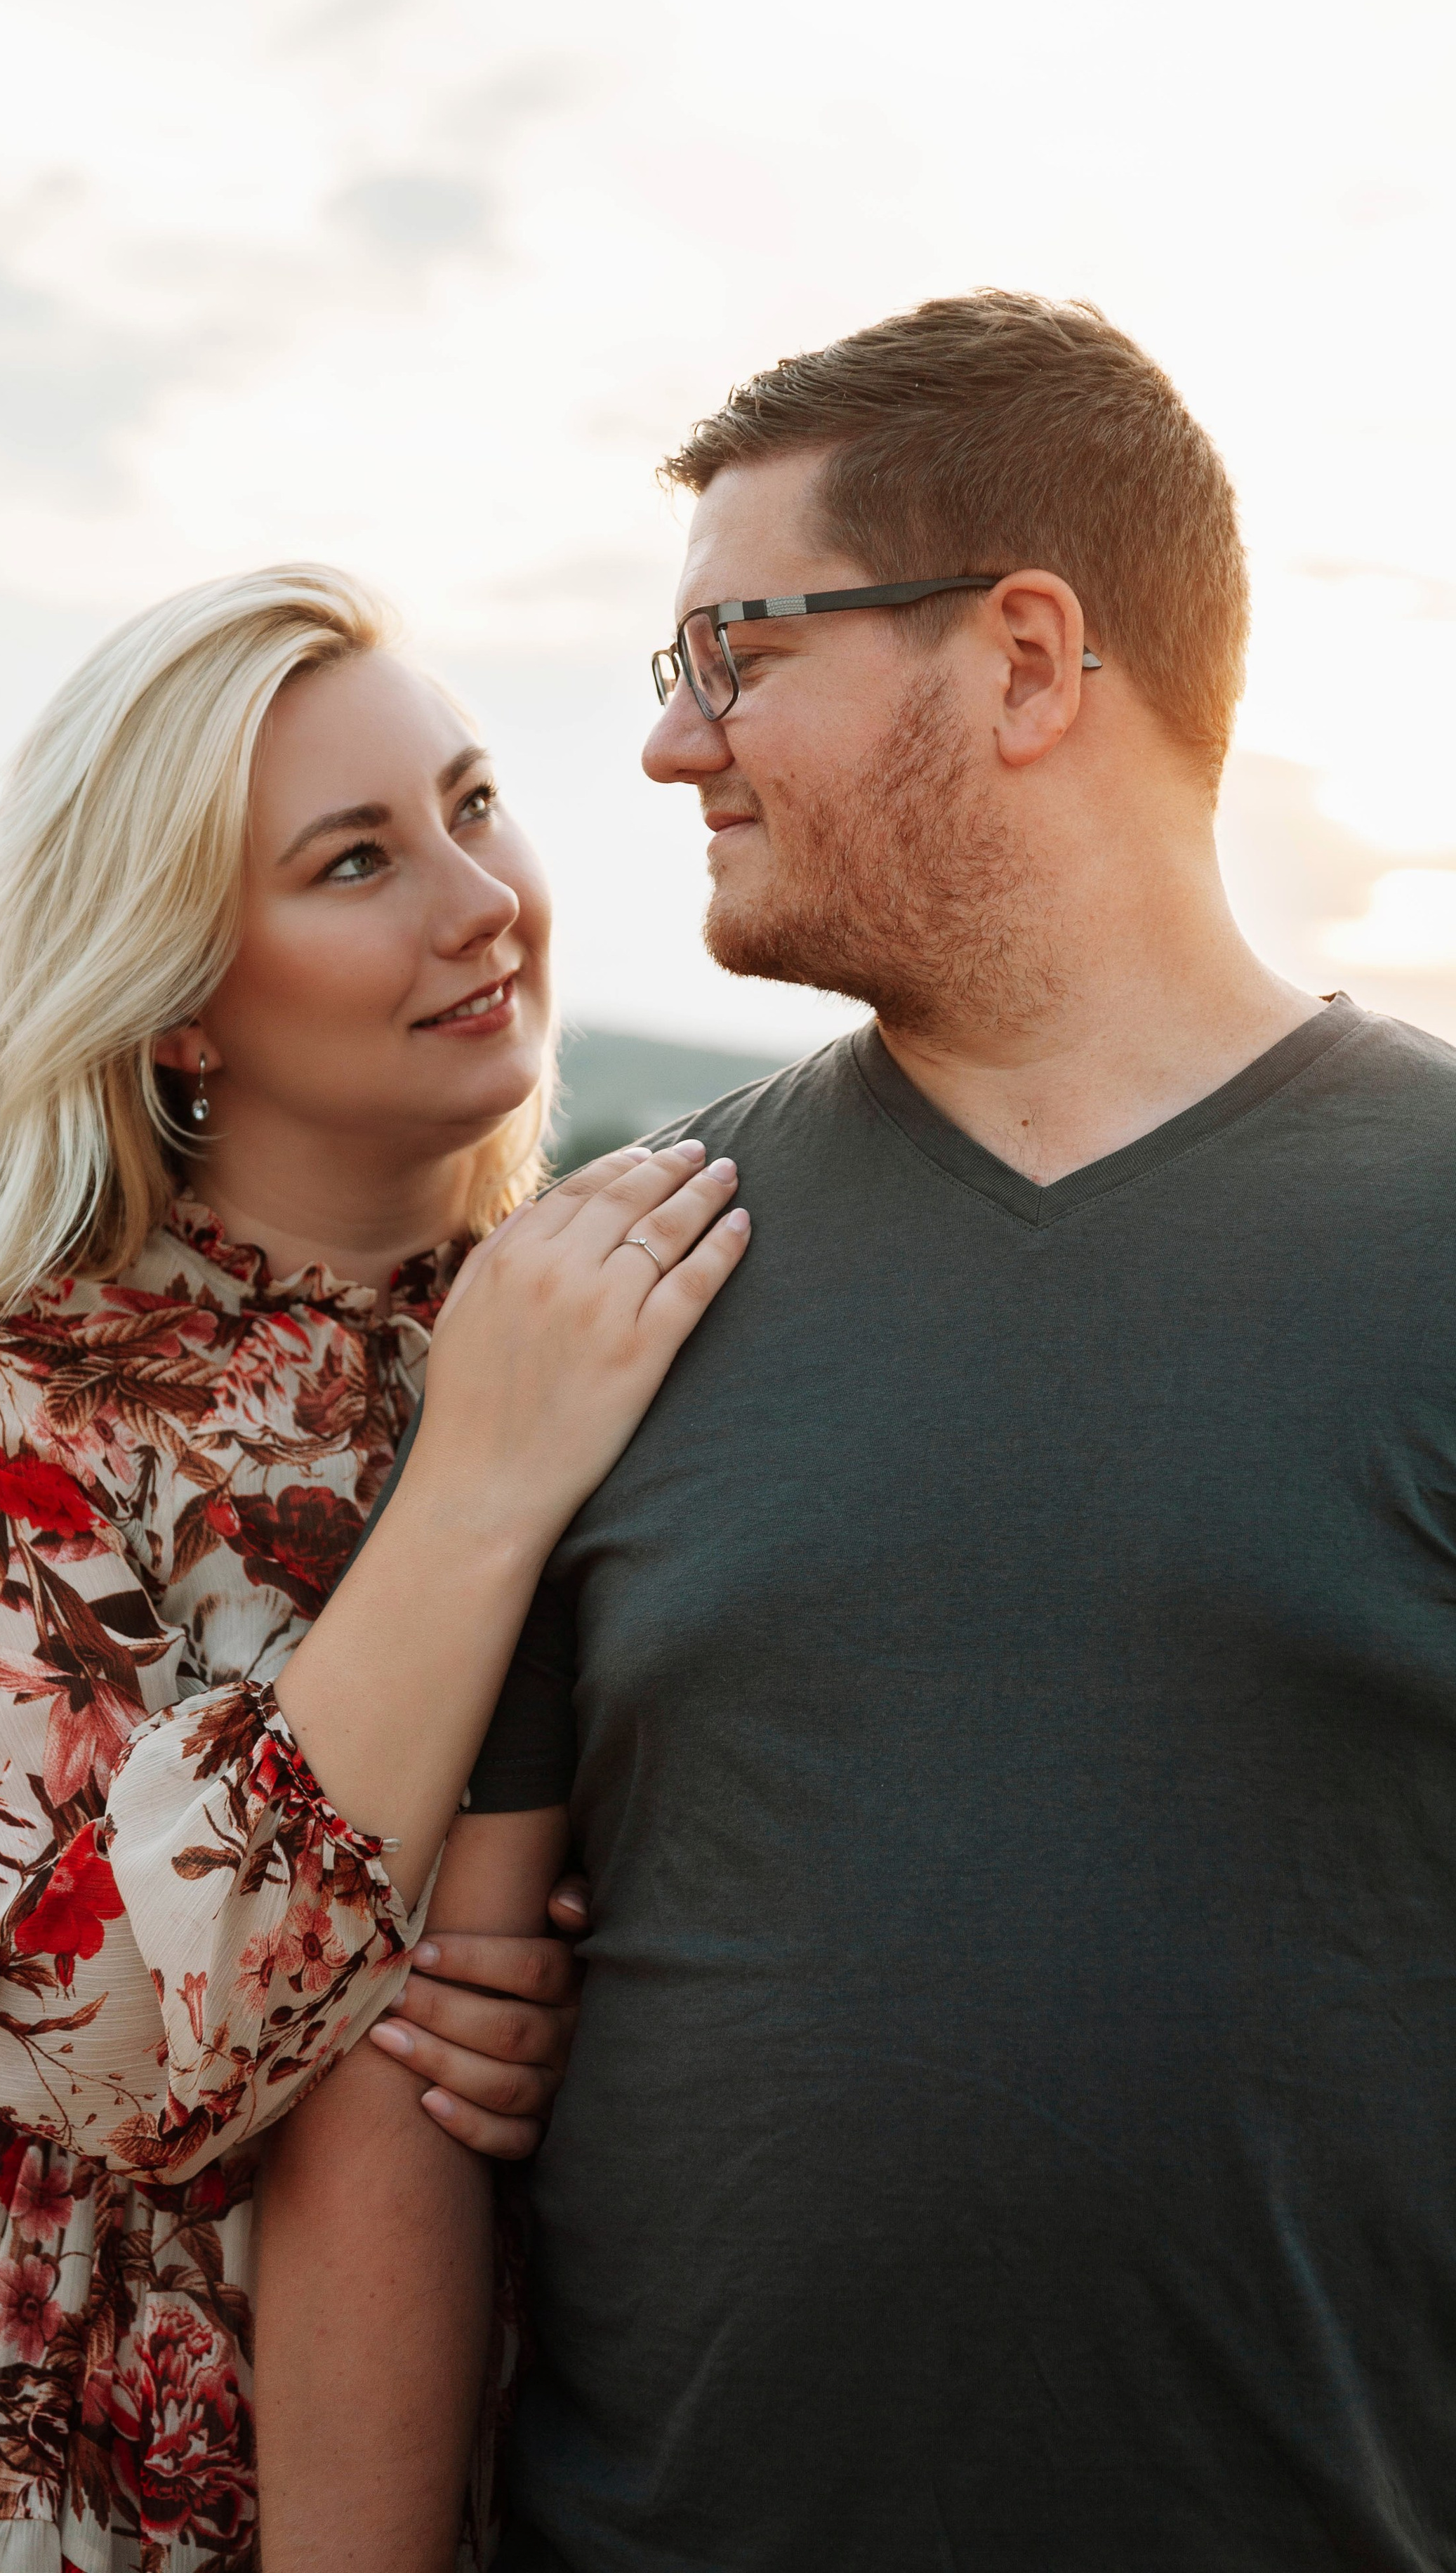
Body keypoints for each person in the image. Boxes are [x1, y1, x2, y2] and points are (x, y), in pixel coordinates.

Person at [400, 292, 1456, 2568]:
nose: (676, 750)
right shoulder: (615, 1274)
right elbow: (433, 2053)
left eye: (734, 655)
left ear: (1028, 659)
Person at [0, 565, 748, 2573]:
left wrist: (564, 2010)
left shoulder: (632, 1329)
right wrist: (475, 1483)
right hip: (80, 2458)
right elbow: (122, 2038)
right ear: (181, 990)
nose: (479, 899)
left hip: (578, 2429)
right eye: (358, 859)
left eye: (471, 803)